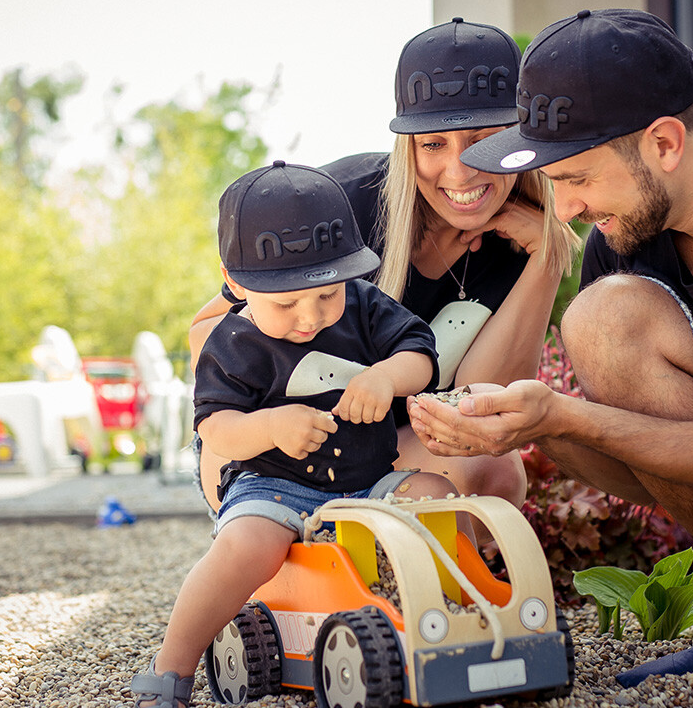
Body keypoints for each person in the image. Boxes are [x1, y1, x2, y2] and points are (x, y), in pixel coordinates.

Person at [411, 8, 693, 692]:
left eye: (575, 178)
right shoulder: (628, 240)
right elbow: (659, 466)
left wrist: (567, 417)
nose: (564, 209)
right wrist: (530, 431)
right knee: (601, 318)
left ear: (665, 144)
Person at [188, 18, 581, 519]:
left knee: (495, 474)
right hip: (269, 453)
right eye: (433, 145)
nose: (460, 171)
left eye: (485, 140)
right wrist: (266, 433)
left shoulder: (515, 241)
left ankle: (370, 566)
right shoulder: (340, 206)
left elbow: (479, 405)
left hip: (374, 453)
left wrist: (547, 258)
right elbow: (207, 334)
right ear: (407, 145)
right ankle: (282, 548)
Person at [130, 161, 456, 708]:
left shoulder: (362, 305)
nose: (310, 317)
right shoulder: (232, 343)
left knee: (440, 498)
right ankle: (172, 666)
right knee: (245, 548)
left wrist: (385, 376)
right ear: (236, 284)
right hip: (272, 489)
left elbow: (421, 355)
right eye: (286, 303)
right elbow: (216, 430)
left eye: (328, 295)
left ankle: (449, 615)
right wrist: (270, 427)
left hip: (367, 481)